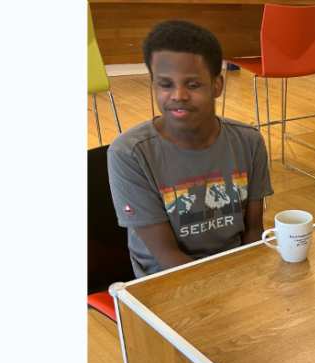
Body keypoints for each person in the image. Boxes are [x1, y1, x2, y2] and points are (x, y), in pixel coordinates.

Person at [108, 20, 273, 277]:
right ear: (152, 83)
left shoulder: (249, 141)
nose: (178, 95)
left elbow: (253, 232)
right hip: (167, 280)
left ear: (217, 85)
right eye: (166, 84)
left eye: (193, 85)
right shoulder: (129, 154)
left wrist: (254, 282)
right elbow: (166, 255)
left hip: (236, 271)